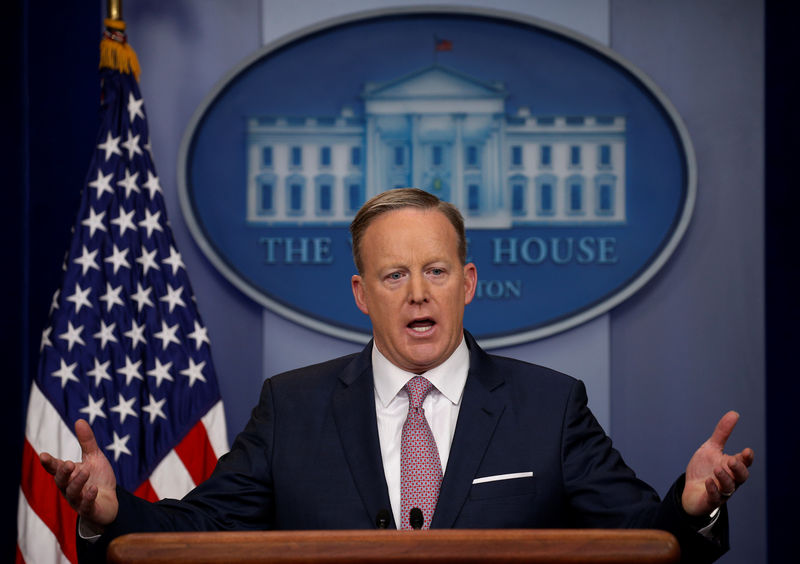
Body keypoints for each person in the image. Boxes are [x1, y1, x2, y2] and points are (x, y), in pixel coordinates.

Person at [42, 188, 753, 563]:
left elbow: (642, 541)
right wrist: (109, 515)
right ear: (361, 293)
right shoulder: (292, 409)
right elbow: (194, 531)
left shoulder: (548, 406)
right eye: (395, 274)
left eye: (436, 271)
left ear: (467, 282)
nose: (419, 292)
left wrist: (692, 507)